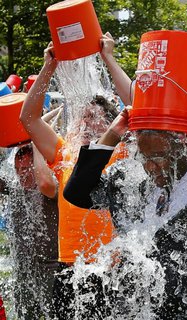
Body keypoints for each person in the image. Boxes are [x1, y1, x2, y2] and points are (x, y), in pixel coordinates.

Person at [63, 106, 187, 318]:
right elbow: (77, 192)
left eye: (159, 157)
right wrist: (112, 134)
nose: (150, 167)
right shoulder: (132, 182)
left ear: (185, 146)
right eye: (144, 157)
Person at [19, 37, 128, 317]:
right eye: (84, 117)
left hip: (113, 267)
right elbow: (29, 119)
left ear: (113, 124)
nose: (88, 122)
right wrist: (49, 66)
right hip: (69, 265)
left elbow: (139, 106)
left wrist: (109, 59)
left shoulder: (124, 153)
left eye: (97, 117)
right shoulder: (66, 152)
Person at [0, 144, 59, 319]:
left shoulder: (52, 188)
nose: (21, 174)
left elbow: (45, 183)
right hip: (25, 270)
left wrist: (37, 145)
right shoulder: (16, 189)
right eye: (17, 169)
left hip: (52, 269)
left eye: (26, 169)